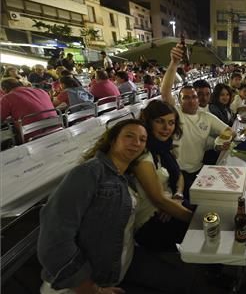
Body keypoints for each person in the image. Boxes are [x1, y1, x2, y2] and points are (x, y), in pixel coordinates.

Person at [38, 119, 193, 294]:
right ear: (113, 140)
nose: (136, 143)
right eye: (129, 136)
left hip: (123, 262)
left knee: (184, 282)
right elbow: (53, 240)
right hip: (88, 282)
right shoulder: (89, 172)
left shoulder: (125, 176)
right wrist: (89, 288)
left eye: (142, 139)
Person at [161, 45, 232, 197]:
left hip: (199, 170)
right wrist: (174, 63)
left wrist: (218, 142)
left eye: (194, 96)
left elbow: (228, 131)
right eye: (186, 97)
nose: (192, 100)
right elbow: (165, 93)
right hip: (177, 172)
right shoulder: (176, 114)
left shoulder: (206, 117)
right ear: (179, 101)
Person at [134, 101, 193, 252]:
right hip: (151, 221)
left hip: (171, 204)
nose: (167, 128)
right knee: (208, 227)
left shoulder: (164, 148)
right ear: (148, 123)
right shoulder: (143, 156)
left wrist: (178, 196)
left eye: (171, 123)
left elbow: (178, 174)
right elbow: (158, 199)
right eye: (159, 121)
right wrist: (196, 221)